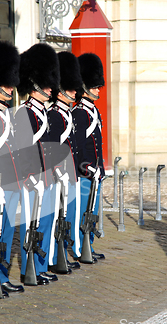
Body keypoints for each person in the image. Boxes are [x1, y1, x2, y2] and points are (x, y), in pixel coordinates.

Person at [14, 43, 60, 285]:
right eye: (46, 84)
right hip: (33, 180)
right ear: (34, 86)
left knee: (46, 221)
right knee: (31, 223)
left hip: (48, 176)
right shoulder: (25, 113)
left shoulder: (45, 112)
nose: (51, 88)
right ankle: (29, 268)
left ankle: (40, 266)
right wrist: (33, 178)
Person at [0, 40, 24, 295]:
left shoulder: (10, 113)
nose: (10, 88)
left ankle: (2, 273)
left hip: (11, 182)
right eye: (6, 83)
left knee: (7, 233)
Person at [47, 51, 84, 274]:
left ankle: (60, 254)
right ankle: (53, 257)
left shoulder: (66, 113)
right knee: (55, 218)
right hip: (57, 175)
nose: (74, 92)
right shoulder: (54, 114)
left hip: (68, 174)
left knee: (63, 218)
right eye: (70, 88)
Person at [72, 53, 106, 263]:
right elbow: (78, 147)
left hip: (95, 172)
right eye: (93, 86)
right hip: (85, 174)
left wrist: (100, 167)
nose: (97, 89)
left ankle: (88, 245)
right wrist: (88, 168)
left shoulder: (92, 110)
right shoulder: (79, 112)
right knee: (82, 213)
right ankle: (78, 248)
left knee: (91, 213)